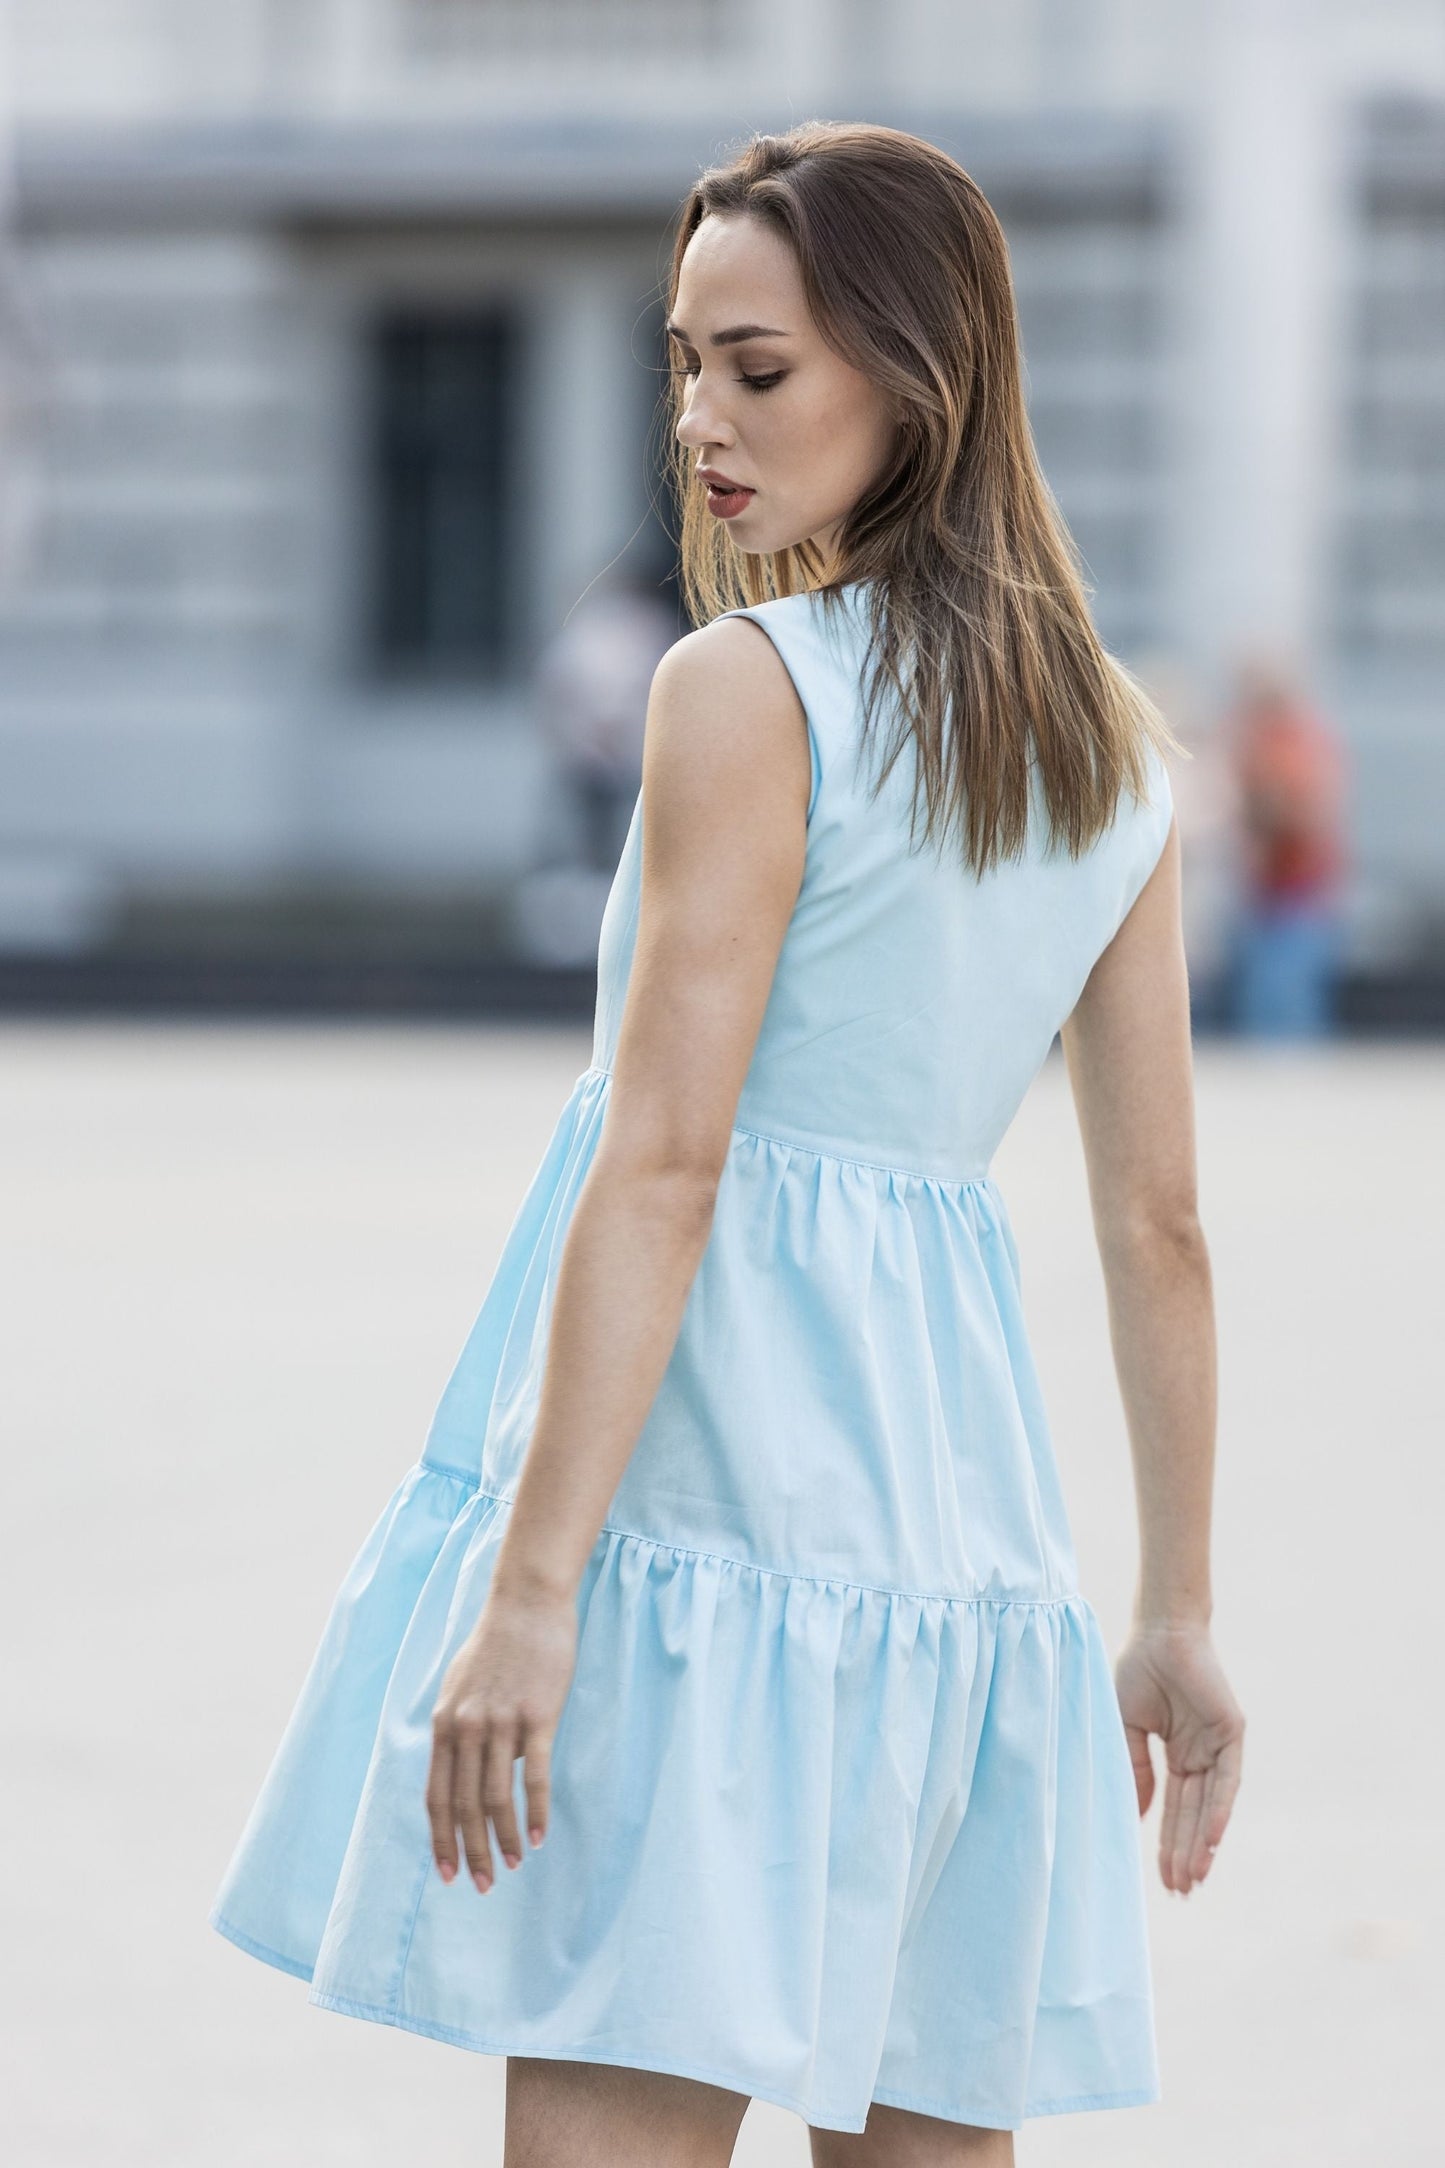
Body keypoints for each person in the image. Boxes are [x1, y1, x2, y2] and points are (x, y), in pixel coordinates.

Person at [210, 122, 1244, 2165]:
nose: (698, 417)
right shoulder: (1108, 749)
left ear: (914, 372)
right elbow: (1155, 1221)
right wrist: (1172, 1607)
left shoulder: (741, 688)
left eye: (754, 370)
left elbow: (670, 1159)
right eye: (680, 363)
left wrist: (529, 1589)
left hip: (698, 1527)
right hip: (959, 1555)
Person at [1226, 656, 1350, 1038]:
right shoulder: (1272, 740)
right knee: (1269, 1001)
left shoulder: (1291, 743)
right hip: (1270, 892)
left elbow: (1298, 810)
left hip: (1295, 891)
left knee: (1287, 1002)